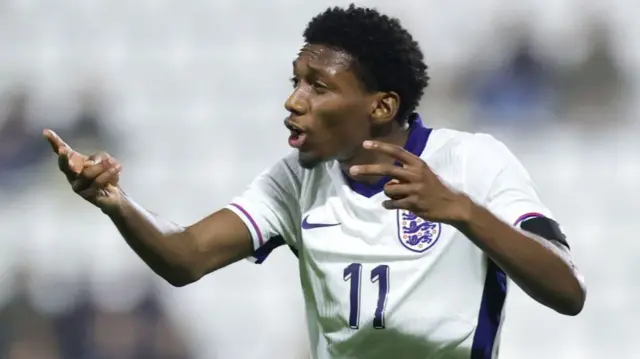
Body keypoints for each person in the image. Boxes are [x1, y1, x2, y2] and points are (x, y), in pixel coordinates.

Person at [43, 5, 586, 359]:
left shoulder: (473, 160)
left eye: (318, 87)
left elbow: (568, 290)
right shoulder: (294, 182)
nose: (293, 100)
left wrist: (462, 210)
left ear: (381, 106)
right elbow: (185, 257)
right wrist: (117, 203)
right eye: (295, 81)